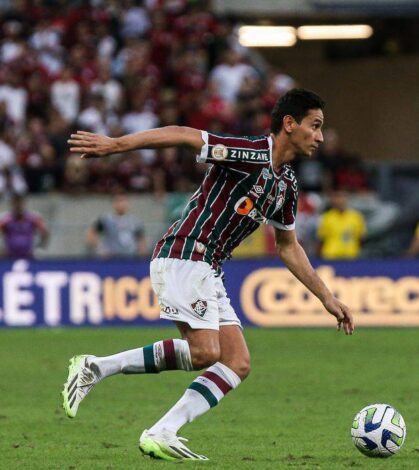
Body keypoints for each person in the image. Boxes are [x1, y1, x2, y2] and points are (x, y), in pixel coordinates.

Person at [63, 89, 354, 461]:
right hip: (185, 252)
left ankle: (162, 429)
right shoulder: (249, 153)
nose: (321, 137)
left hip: (209, 267)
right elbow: (187, 135)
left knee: (237, 362)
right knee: (205, 352)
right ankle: (99, 368)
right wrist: (116, 144)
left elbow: (288, 247)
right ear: (289, 124)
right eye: (315, 126)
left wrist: (327, 298)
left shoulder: (287, 186)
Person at [86, 193, 148, 258]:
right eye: (118, 201)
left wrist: (142, 253)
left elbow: (141, 239)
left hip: (130, 257)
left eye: (123, 201)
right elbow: (91, 233)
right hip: (112, 258)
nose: (121, 204)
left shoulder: (134, 221)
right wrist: (101, 249)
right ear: (114, 204)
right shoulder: (106, 219)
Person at [316, 189, 366, 259]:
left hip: (351, 257)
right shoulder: (326, 217)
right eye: (337, 197)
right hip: (331, 256)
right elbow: (321, 239)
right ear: (333, 200)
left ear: (347, 198)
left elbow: (361, 238)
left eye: (342, 197)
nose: (340, 200)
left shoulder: (356, 217)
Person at [0, 193, 48, 258]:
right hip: (9, 256)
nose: (18, 206)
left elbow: (44, 233)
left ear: (23, 204)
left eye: (20, 204)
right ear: (11, 204)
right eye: (15, 204)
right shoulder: (5, 219)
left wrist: (40, 248)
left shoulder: (33, 218)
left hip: (28, 255)